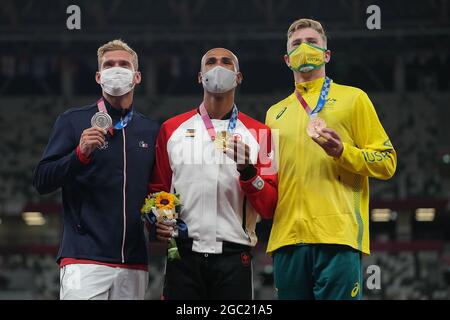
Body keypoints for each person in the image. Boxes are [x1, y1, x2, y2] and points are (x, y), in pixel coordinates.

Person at [265, 18, 397, 300]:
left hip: (337, 236)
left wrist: (343, 153)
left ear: (326, 55)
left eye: (312, 42)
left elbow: (387, 162)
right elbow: (267, 179)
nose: (304, 48)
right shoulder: (274, 113)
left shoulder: (354, 98)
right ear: (287, 60)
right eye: (297, 44)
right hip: (286, 239)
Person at [33, 39, 159, 300]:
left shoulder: (150, 130)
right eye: (108, 65)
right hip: (84, 257)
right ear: (98, 76)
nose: (116, 69)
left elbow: (156, 190)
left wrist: (159, 225)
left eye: (123, 64)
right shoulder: (73, 121)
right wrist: (79, 155)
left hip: (133, 260)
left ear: (137, 76)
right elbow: (42, 180)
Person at [149, 48, 278, 300]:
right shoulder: (171, 129)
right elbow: (158, 190)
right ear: (200, 76)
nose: (218, 66)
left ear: (238, 77)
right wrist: (156, 221)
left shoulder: (262, 134)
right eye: (211, 62)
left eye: (226, 62)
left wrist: (248, 170)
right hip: (182, 255)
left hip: (234, 256)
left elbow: (270, 206)